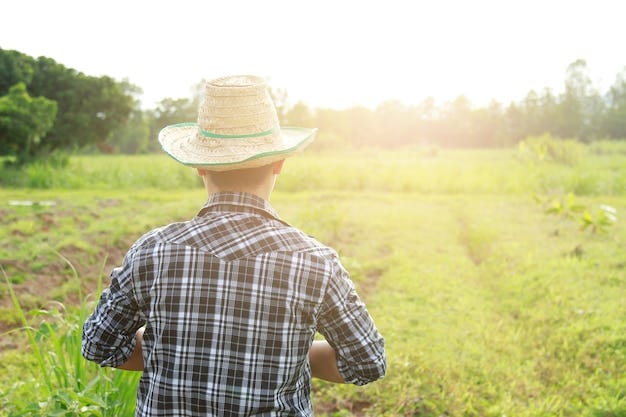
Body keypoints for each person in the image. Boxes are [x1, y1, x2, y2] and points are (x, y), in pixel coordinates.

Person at [82, 74, 386, 416]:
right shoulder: (315, 262)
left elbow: (99, 345)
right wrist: (295, 357)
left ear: (199, 165)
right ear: (279, 161)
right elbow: (367, 362)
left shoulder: (152, 252)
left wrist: (167, 349)